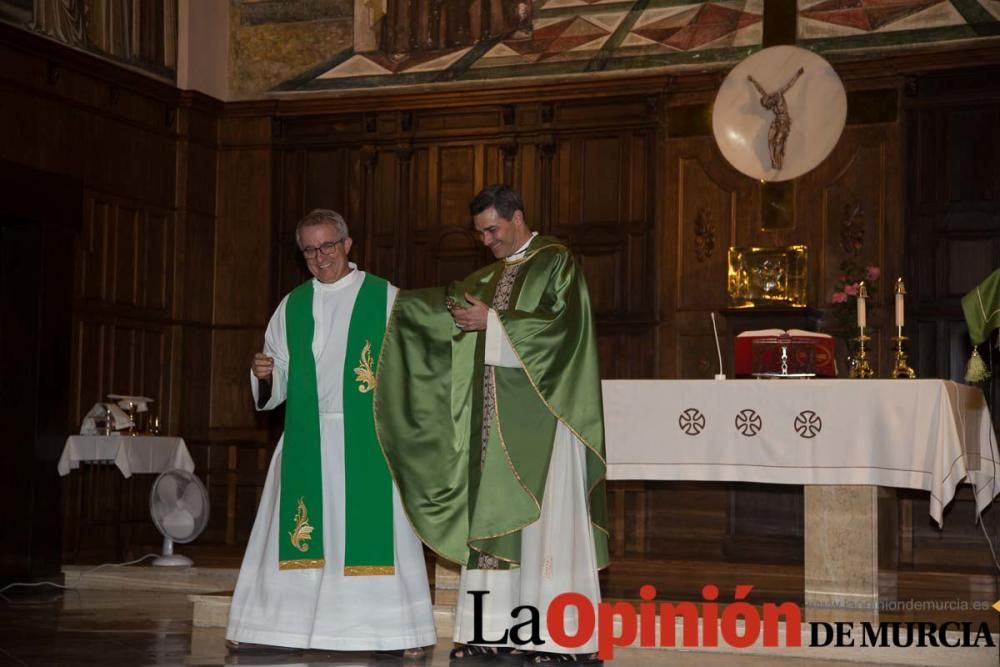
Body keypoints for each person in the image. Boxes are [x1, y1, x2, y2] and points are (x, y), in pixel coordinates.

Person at [376, 185, 609, 664]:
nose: (487, 241)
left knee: (546, 526)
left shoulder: (557, 261)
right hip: (492, 427)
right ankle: (491, 630)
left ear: (518, 217)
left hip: (543, 419)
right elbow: (443, 313)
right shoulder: (486, 277)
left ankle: (559, 637)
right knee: (491, 530)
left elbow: (567, 329)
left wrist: (496, 323)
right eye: (480, 233)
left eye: (493, 230)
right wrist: (386, 303)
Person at [226, 209, 436, 658]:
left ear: (347, 245)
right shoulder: (292, 305)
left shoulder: (386, 299)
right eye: (309, 250)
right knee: (292, 531)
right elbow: (276, 377)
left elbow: (415, 371)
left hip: (368, 440)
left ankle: (398, 632)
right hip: (307, 437)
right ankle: (274, 626)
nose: (320, 258)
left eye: (327, 247)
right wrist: (263, 373)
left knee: (377, 533)